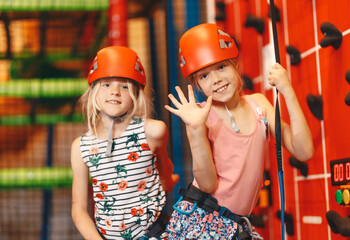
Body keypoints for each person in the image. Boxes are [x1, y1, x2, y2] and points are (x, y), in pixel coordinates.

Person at [165, 23, 314, 239]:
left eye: (221, 67)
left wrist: (287, 91)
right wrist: (196, 129)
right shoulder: (199, 117)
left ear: (235, 65)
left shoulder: (258, 104)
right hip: (202, 221)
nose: (216, 79)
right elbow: (207, 184)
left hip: (236, 223)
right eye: (204, 76)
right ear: (196, 84)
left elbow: (304, 150)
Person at [71, 46, 179, 240]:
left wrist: (169, 180)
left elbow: (164, 174)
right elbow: (78, 211)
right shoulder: (81, 147)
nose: (115, 92)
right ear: (94, 91)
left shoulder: (152, 131)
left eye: (124, 86)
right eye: (106, 84)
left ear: (136, 94)